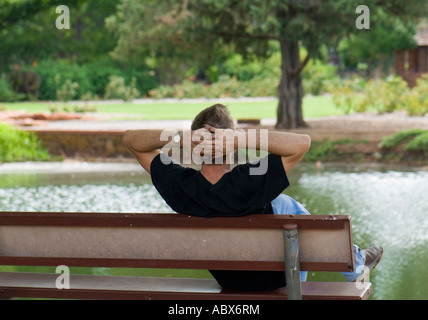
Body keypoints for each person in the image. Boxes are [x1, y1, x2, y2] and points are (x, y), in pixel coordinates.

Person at [123, 103, 383, 292]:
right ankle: (357, 263)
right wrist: (238, 139)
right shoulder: (249, 182)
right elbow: (302, 143)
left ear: (195, 150)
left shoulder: (179, 186)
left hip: (229, 281)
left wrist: (180, 138)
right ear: (230, 146)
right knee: (283, 205)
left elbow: (131, 141)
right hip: (278, 281)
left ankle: (358, 262)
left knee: (281, 205)